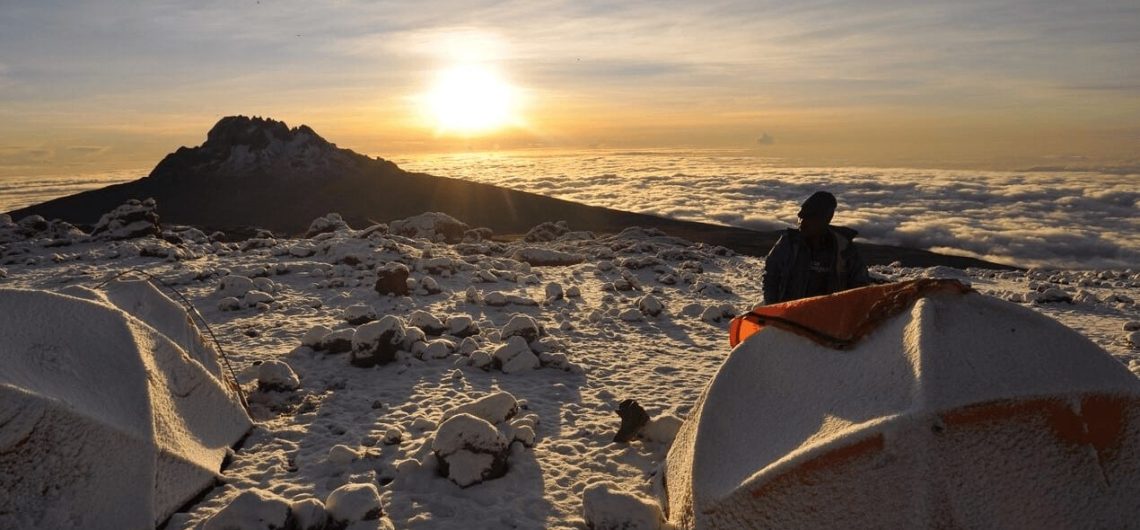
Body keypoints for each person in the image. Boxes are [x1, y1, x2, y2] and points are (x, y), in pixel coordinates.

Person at [762, 191, 871, 305]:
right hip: (789, 316)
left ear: (825, 220)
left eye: (808, 219)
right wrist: (772, 306)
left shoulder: (843, 249)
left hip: (829, 317)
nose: (802, 224)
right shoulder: (789, 243)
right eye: (800, 218)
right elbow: (771, 276)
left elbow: (860, 284)